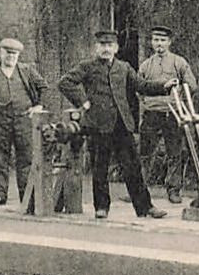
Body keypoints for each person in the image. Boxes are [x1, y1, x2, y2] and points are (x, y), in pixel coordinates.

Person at [59, 30, 175, 220]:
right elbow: (65, 83)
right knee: (100, 167)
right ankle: (101, 207)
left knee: (133, 167)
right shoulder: (87, 67)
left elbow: (142, 85)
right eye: (102, 45)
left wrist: (164, 86)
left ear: (116, 48)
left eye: (110, 45)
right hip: (98, 124)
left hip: (122, 124)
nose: (106, 49)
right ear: (96, 48)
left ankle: (145, 208)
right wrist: (83, 102)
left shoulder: (124, 67)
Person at [0, 37, 48, 205]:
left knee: (25, 157)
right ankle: (0, 194)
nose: (11, 57)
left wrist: (38, 105)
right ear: (1, 53)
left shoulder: (27, 71)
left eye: (14, 54)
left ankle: (26, 193)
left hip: (23, 120)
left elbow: (43, 86)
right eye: (8, 53)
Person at [137, 24, 197, 204]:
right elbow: (138, 88)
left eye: (163, 40)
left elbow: (192, 86)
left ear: (169, 42)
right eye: (156, 40)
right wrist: (147, 103)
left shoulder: (179, 62)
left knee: (174, 152)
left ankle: (173, 189)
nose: (159, 44)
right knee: (145, 153)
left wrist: (180, 100)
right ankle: (140, 190)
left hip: (173, 113)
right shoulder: (146, 65)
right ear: (151, 42)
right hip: (152, 113)